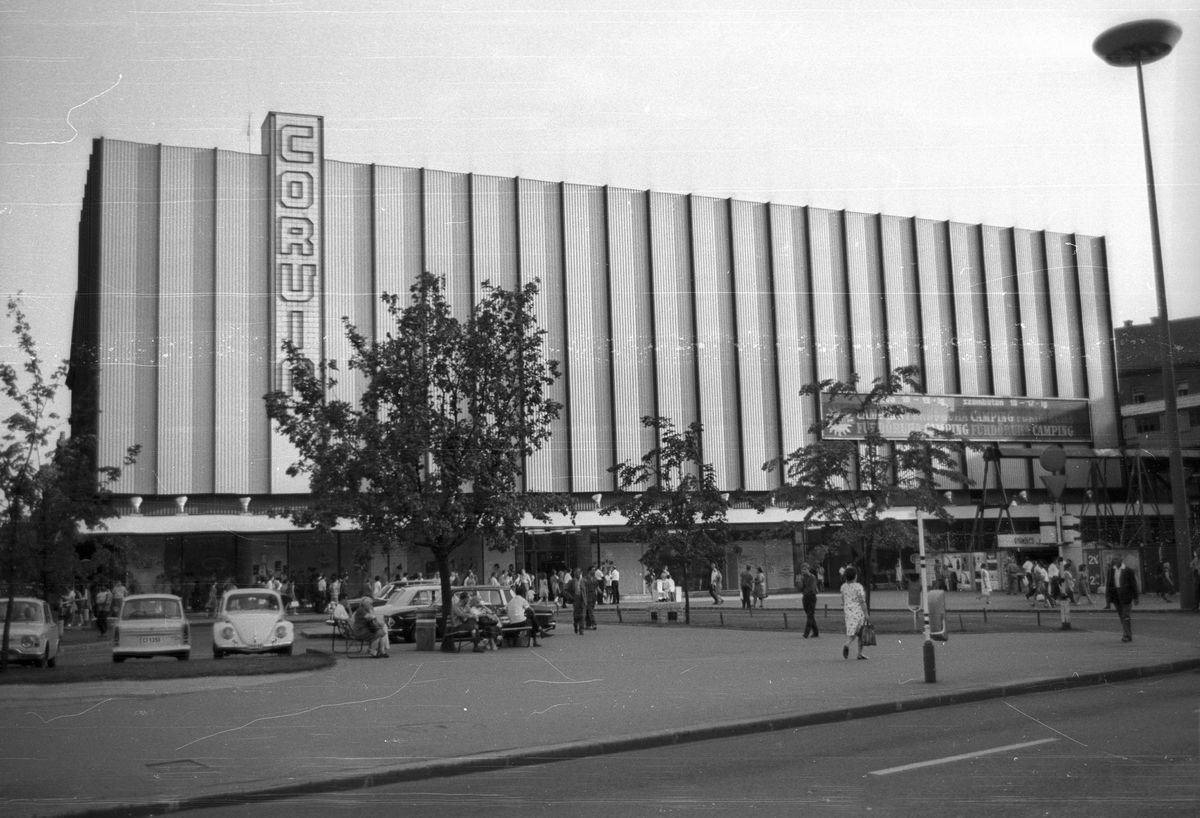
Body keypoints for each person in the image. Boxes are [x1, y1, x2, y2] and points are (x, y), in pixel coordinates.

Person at [1106, 555, 1139, 643]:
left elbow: (1133, 584)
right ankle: (1126, 633)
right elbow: (1108, 584)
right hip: (1116, 596)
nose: (1115, 561)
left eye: (1117, 559)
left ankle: (1127, 635)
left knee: (1126, 616)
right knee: (1121, 616)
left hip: (1126, 596)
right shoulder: (1111, 571)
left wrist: (1135, 597)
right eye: (1114, 559)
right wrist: (1108, 599)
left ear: (1121, 560)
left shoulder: (1128, 571)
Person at [840, 566, 868, 660]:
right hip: (858, 612)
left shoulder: (843, 587)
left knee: (853, 632)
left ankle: (858, 652)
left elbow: (843, 599)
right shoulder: (858, 587)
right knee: (860, 632)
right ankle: (850, 646)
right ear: (855, 576)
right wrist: (866, 613)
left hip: (848, 612)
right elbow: (862, 601)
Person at [799, 563, 819, 638]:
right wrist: (799, 582)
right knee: (809, 615)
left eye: (805, 569)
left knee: (810, 615)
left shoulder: (812, 577)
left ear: (808, 569)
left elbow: (812, 588)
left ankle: (806, 633)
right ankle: (816, 632)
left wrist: (804, 591)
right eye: (802, 569)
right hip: (805, 597)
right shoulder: (803, 578)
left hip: (811, 597)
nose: (803, 571)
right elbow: (800, 588)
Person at [1058, 559, 1077, 630]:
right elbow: (1067, 580)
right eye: (1069, 566)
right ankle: (1072, 601)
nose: (1070, 567)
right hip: (1068, 587)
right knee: (1068, 596)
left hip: (1069, 586)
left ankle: (1072, 601)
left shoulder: (1066, 572)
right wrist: (1069, 585)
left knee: (1068, 596)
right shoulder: (1065, 572)